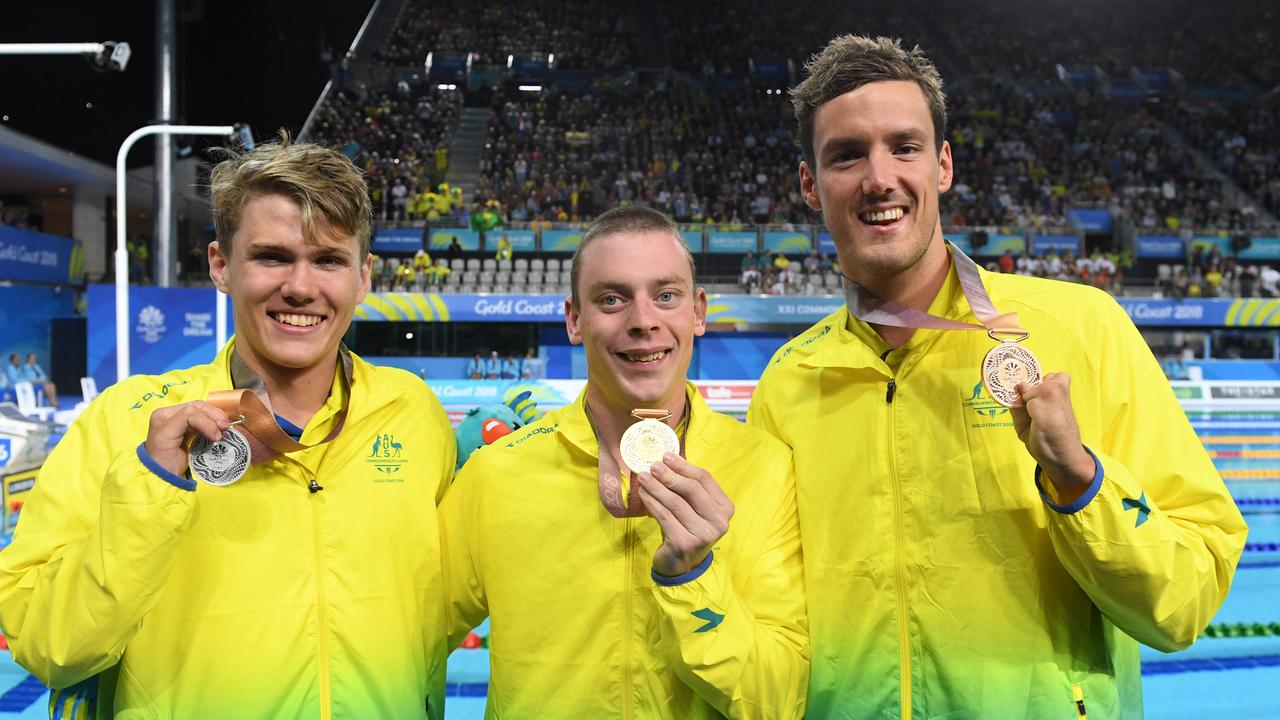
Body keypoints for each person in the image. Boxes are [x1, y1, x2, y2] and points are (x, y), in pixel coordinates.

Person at [748, 35, 1247, 719]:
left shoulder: (1081, 328)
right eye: (845, 155)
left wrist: (1081, 481)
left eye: (905, 146)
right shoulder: (789, 383)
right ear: (809, 184)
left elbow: (1184, 603)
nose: (879, 177)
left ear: (943, 165)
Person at [0, 135, 458, 719]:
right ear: (221, 265)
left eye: (328, 260)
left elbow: (446, 607)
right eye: (272, 256)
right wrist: (151, 488)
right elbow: (48, 647)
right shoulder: (125, 422)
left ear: (363, 277)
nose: (300, 286)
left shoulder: (412, 412)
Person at [440, 207, 808, 717]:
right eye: (612, 299)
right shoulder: (497, 474)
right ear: (574, 318)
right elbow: (403, 645)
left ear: (698, 312)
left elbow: (778, 700)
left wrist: (693, 577)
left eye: (666, 296)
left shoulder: (768, 468)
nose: (642, 321)